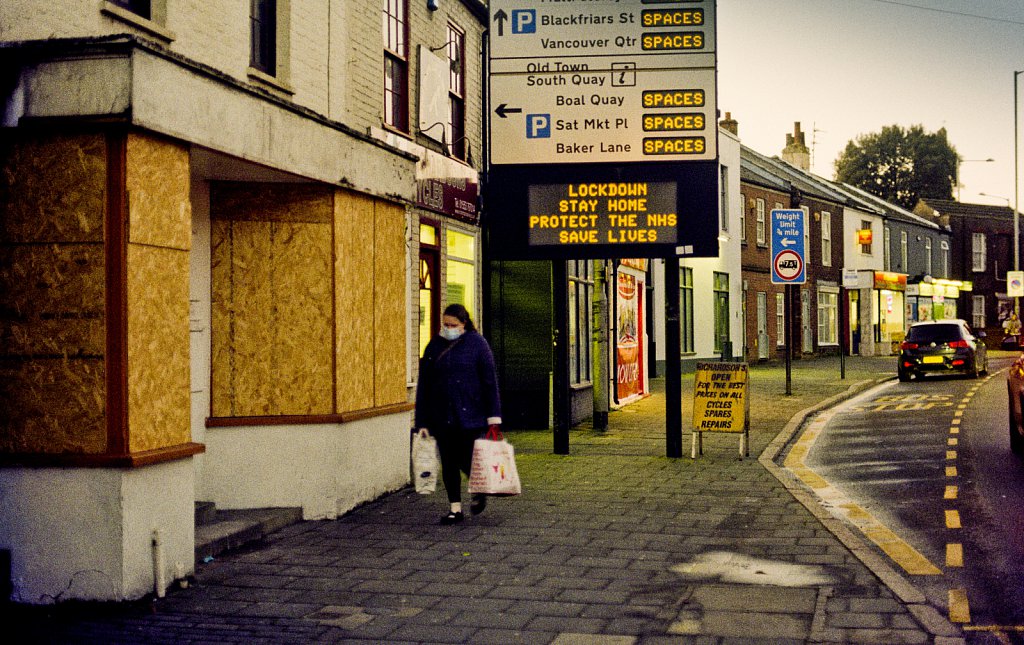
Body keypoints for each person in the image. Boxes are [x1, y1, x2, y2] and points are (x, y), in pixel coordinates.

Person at [415, 304, 502, 524]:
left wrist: (494, 416)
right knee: (448, 461)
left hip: (471, 414)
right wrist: (422, 421)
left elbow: (489, 381)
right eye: (445, 324)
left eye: (453, 325)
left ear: (464, 324)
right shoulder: (434, 346)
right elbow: (424, 384)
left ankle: (478, 487)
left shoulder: (477, 345)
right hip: (441, 414)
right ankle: (455, 508)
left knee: (466, 457)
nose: (448, 328)